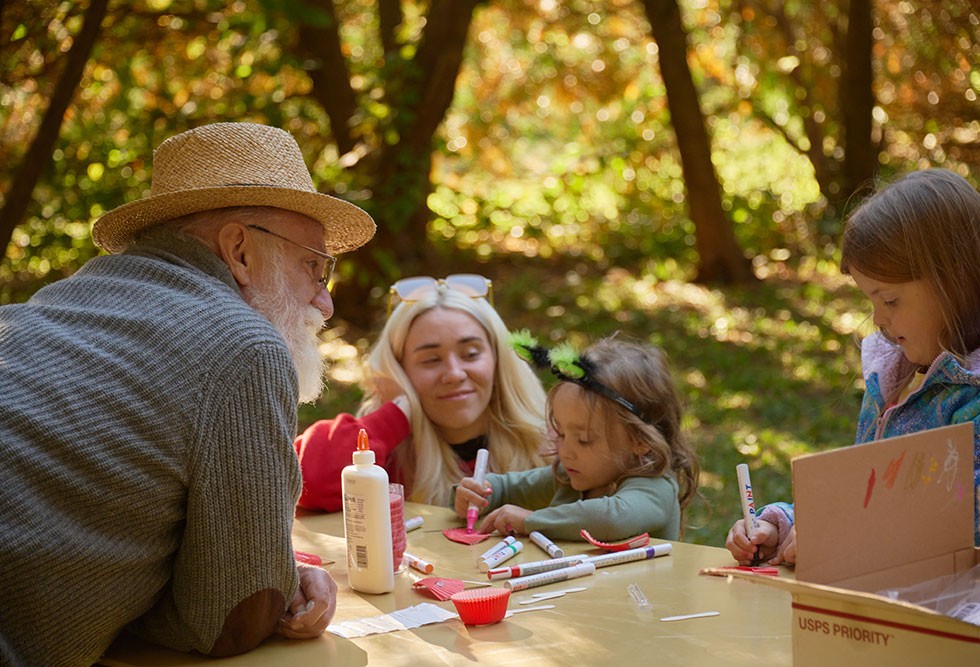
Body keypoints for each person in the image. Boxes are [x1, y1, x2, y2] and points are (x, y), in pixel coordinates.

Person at [0, 122, 375, 666]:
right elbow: (229, 621)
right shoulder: (242, 344)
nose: (326, 302)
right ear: (239, 250)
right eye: (313, 268)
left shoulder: (42, 305)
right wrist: (269, 585)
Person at [726, 168, 980, 566]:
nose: (877, 319)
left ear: (955, 280)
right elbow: (863, 497)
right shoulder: (894, 379)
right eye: (870, 301)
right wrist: (783, 527)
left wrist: (840, 533)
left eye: (889, 301)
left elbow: (967, 529)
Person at [295, 274, 548, 510]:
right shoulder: (389, 458)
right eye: (430, 360)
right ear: (400, 371)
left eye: (471, 354)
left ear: (499, 360)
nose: (454, 374)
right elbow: (301, 480)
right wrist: (391, 418)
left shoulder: (555, 441)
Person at [453, 334, 700, 541]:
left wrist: (530, 520)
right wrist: (478, 493)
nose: (566, 451)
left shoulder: (655, 487)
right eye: (561, 433)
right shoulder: (569, 475)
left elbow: (611, 519)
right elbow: (508, 487)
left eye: (584, 439)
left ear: (641, 441)